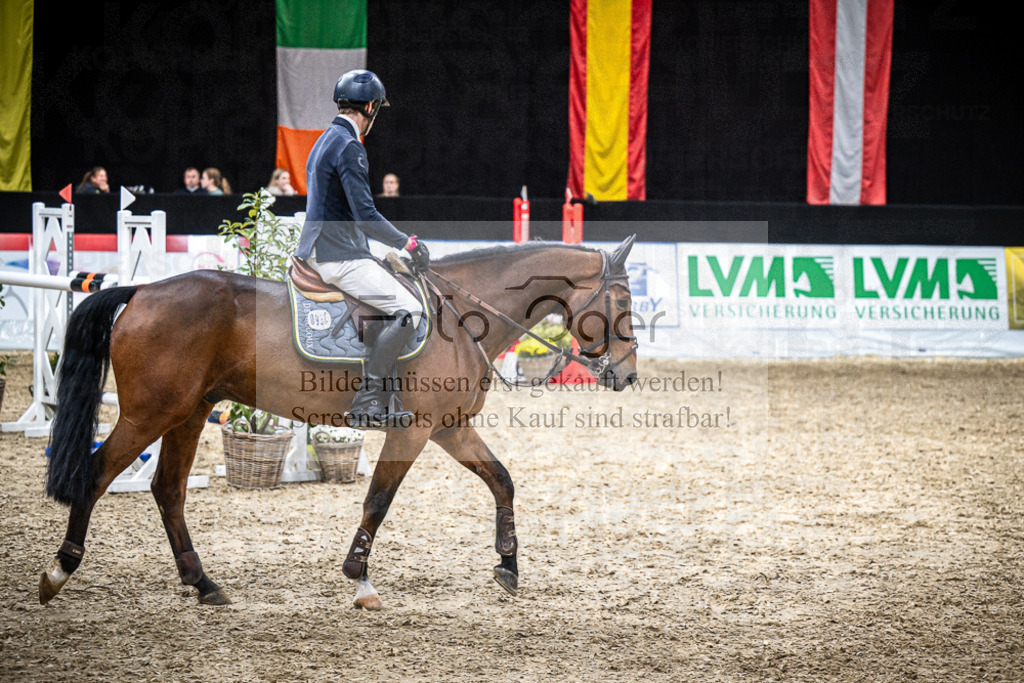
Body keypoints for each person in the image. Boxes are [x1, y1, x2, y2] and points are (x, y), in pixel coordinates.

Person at [294, 69, 430, 430]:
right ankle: (369, 402)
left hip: (322, 248)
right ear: (370, 106)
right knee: (410, 308)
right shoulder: (350, 146)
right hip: (339, 256)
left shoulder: (324, 139)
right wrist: (408, 242)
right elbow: (366, 215)